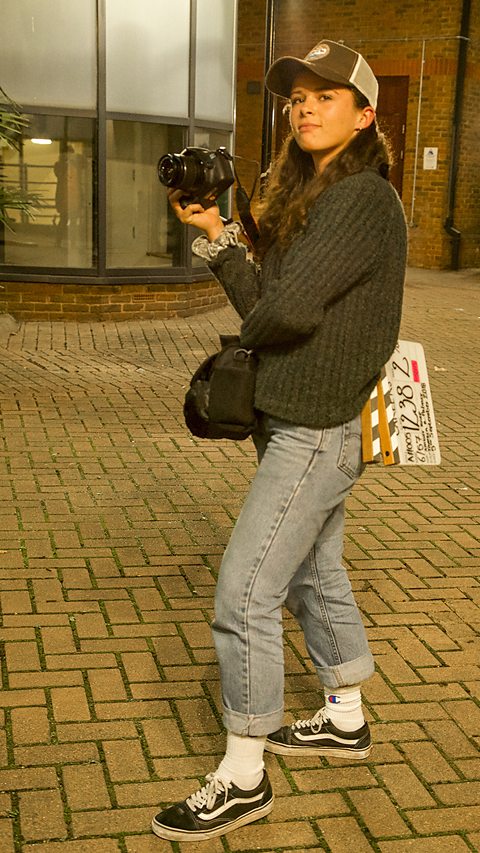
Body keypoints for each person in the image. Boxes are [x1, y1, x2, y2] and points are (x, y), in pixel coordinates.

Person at [151, 39, 407, 843]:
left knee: (244, 593)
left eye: (326, 95)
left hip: (317, 427)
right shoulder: (318, 196)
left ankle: (244, 772)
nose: (304, 104)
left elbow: (281, 313)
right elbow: (276, 299)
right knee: (313, 572)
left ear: (366, 115)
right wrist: (222, 235)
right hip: (300, 417)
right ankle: (343, 716)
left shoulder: (361, 197)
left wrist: (252, 317)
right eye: (297, 94)